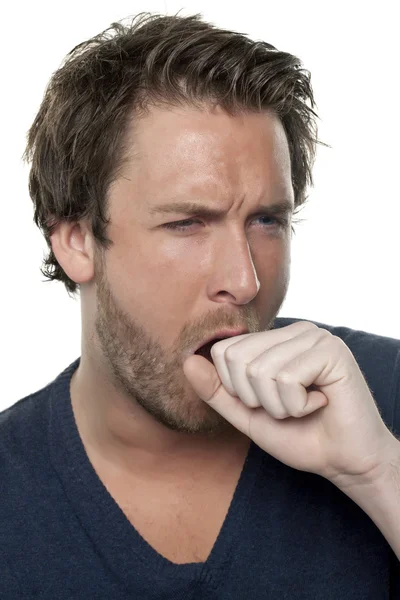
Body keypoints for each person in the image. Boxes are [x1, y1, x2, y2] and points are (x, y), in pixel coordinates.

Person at [1, 12, 399, 599]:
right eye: (187, 223)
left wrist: (377, 473)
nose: (244, 280)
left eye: (267, 220)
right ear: (76, 240)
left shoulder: (384, 400)